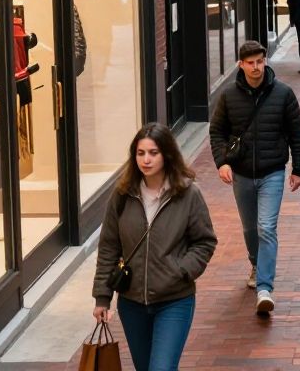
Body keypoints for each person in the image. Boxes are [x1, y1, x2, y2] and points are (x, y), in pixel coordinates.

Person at [93, 123, 217, 371]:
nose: (146, 160)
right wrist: (102, 297)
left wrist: (181, 271)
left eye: (153, 153)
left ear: (167, 154)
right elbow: (108, 247)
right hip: (131, 303)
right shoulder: (122, 194)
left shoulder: (188, 194)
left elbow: (205, 242)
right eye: (140, 153)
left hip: (174, 300)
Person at [208, 40, 300, 316]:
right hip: (240, 173)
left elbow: (297, 133)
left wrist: (299, 168)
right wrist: (222, 163)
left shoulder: (283, 94)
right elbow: (217, 132)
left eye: (260, 62)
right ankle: (255, 262)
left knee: (266, 227)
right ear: (241, 64)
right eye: (250, 63)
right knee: (250, 228)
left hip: (272, 172)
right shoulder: (228, 96)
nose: (256, 67)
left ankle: (265, 287)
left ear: (265, 61)